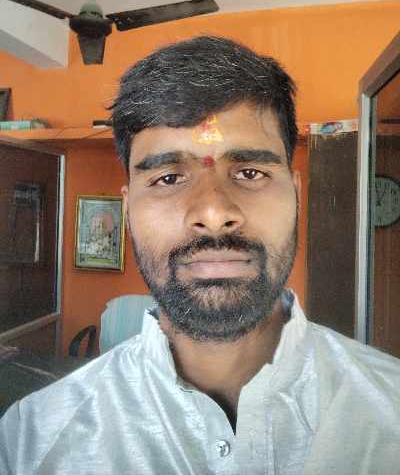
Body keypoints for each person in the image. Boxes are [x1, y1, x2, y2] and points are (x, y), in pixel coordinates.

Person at [1, 36, 399, 475]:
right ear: (128, 211)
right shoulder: (31, 442)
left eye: (250, 172)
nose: (213, 213)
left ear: (297, 196)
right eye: (169, 178)